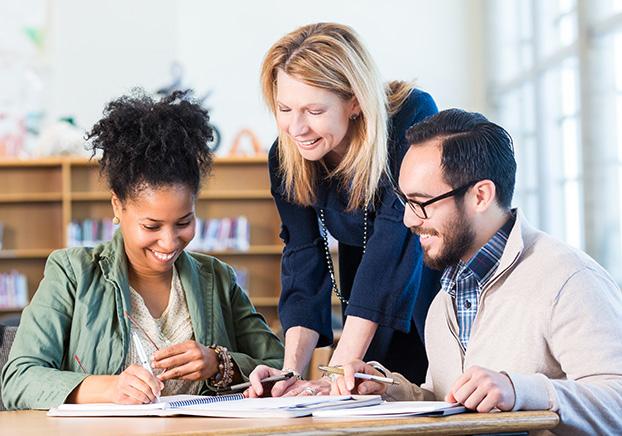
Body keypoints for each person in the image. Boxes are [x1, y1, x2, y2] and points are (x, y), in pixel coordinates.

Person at [330, 109, 622, 434]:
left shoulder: (569, 279)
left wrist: (519, 390)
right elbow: (450, 404)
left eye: (421, 202)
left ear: (480, 195)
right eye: (405, 202)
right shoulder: (443, 301)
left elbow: (617, 401)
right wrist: (388, 390)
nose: (409, 220)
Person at [1, 91, 284, 409]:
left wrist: (219, 364)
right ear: (117, 206)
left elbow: (280, 367)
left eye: (183, 223)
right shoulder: (72, 274)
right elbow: (18, 379)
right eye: (151, 226)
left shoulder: (217, 278)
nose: (169, 242)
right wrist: (107, 389)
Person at [248, 22, 441, 397]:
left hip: (430, 281)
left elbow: (394, 242)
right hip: (365, 290)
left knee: (424, 395)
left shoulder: (410, 116)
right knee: (361, 397)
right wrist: (289, 374)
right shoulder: (286, 155)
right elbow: (303, 259)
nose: (296, 127)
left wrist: (337, 371)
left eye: (314, 110)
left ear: (354, 102)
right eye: (284, 108)